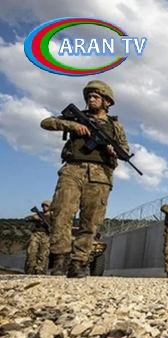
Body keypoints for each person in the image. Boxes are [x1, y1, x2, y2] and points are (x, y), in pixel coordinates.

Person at [41, 80, 129, 278]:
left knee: (91, 221)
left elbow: (124, 150)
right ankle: (60, 260)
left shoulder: (115, 126)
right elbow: (46, 122)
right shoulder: (78, 117)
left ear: (107, 101)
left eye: (96, 96)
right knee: (61, 213)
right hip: (73, 169)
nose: (91, 99)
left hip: (100, 174)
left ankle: (79, 262)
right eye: (89, 96)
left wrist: (113, 150)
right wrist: (72, 125)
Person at [24, 200, 52, 274]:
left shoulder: (53, 216)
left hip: (47, 235)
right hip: (36, 234)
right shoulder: (39, 214)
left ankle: (40, 271)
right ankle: (30, 270)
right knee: (31, 252)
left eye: (46, 206)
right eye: (43, 205)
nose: (44, 207)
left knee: (43, 254)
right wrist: (33, 218)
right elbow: (26, 219)